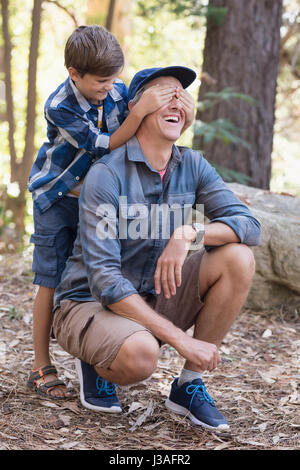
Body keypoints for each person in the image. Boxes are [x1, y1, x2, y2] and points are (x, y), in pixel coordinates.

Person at [52, 65, 261, 429]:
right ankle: (96, 358)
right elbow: (105, 282)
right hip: (89, 303)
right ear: (138, 106)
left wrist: (189, 234)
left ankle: (189, 386)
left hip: (152, 295)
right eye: (165, 93)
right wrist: (182, 339)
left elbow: (248, 225)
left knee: (238, 258)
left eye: (181, 95)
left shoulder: (192, 164)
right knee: (140, 357)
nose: (176, 101)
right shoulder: (108, 174)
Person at [27, 26, 195, 402]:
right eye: (102, 81)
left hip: (98, 196)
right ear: (75, 74)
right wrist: (142, 111)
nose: (110, 87)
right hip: (59, 197)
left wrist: (165, 108)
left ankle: (93, 345)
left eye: (114, 79)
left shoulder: (115, 89)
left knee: (98, 272)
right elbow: (105, 145)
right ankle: (41, 364)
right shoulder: (60, 104)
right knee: (51, 277)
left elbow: (142, 133)